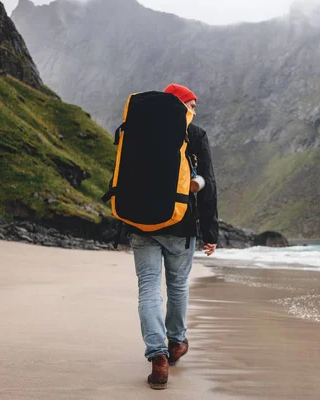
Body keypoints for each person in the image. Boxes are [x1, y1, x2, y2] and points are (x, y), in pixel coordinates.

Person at [129, 83, 219, 390]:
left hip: (140, 223)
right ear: (180, 104)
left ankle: (158, 358)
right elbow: (208, 184)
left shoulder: (136, 127)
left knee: (148, 288)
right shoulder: (194, 134)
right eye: (191, 104)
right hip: (181, 224)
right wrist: (210, 231)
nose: (194, 111)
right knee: (177, 285)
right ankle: (176, 343)